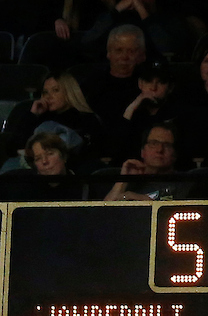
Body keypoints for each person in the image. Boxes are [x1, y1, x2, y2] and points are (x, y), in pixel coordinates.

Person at [2, 71, 101, 164]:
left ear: (69, 92)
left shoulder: (87, 119)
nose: (49, 96)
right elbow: (11, 149)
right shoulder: (38, 118)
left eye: (55, 90)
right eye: (45, 92)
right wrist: (32, 115)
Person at [79, 25, 147, 157]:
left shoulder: (149, 86)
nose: (124, 57)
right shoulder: (91, 85)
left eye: (131, 51)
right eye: (118, 50)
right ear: (109, 53)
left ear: (142, 55)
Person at [103, 124, 187, 201]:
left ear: (174, 154)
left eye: (167, 145)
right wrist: (123, 180)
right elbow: (104, 212)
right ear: (142, 151)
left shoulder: (185, 183)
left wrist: (142, 200)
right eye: (154, 143)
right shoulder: (130, 182)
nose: (159, 150)